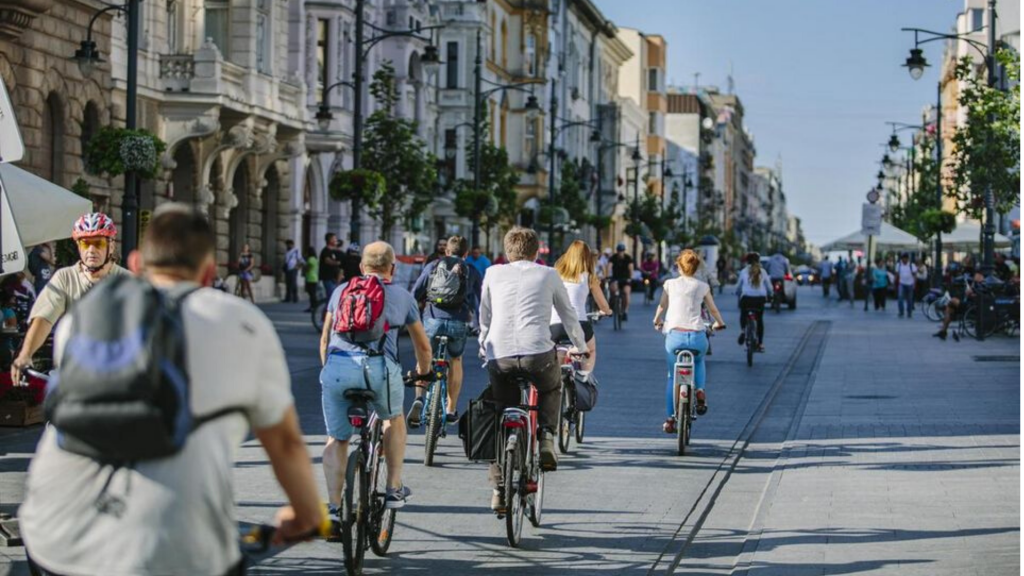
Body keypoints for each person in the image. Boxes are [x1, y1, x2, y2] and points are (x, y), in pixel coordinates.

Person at [20, 204, 324, 576]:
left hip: (53, 536)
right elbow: (286, 443)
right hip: (173, 549)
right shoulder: (241, 322)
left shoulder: (85, 318)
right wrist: (305, 515)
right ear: (208, 272)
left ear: (134, 264)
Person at [319, 241, 432, 515]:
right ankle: (393, 488)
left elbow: (324, 339)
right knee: (393, 419)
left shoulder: (341, 291)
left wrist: (330, 372)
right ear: (392, 268)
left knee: (336, 439)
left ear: (361, 267)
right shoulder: (403, 297)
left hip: (337, 367)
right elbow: (423, 347)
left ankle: (334, 508)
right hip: (379, 369)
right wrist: (423, 374)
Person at [478, 227, 587, 508]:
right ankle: (548, 435)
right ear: (537, 251)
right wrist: (580, 345)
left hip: (499, 355)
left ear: (507, 251)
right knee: (552, 386)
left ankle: (498, 489)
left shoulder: (492, 273)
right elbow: (567, 314)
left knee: (499, 409)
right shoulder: (549, 274)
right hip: (537, 353)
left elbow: (485, 315)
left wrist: (483, 345)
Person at [11, 213, 129, 384]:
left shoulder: (129, 282)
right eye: (85, 243)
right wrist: (25, 354)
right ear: (79, 246)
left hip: (117, 378)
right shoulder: (65, 278)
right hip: (73, 377)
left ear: (110, 246)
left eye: (98, 243)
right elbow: (44, 319)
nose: (91, 250)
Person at [409, 235, 483, 426]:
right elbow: (480, 300)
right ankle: (450, 409)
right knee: (456, 360)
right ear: (466, 254)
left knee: (424, 357)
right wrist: (478, 324)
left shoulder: (434, 265)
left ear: (447, 251)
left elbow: (415, 293)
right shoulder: (472, 269)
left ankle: (419, 398)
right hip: (458, 321)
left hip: (432, 319)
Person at [653, 249, 726, 434]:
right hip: (697, 336)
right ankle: (700, 390)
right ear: (696, 267)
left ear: (678, 266)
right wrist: (720, 323)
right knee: (700, 360)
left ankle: (670, 419)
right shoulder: (702, 286)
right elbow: (713, 309)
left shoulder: (669, 284)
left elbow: (662, 305)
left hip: (674, 337)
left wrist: (656, 320)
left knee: (672, 376)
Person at [550, 240, 613, 372]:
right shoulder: (589, 277)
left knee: (552, 355)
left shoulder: (554, 274)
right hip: (579, 325)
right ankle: (585, 378)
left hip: (555, 326)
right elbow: (603, 304)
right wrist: (606, 311)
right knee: (591, 350)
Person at [736, 252, 772, 352]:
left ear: (747, 261)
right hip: (760, 300)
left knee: (743, 314)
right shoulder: (763, 272)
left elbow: (738, 286)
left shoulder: (743, 271)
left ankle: (743, 331)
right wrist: (771, 294)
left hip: (747, 298)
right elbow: (769, 287)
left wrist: (736, 292)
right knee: (759, 319)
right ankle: (760, 343)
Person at [608, 243, 634, 320]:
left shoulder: (628, 258)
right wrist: (607, 275)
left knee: (626, 293)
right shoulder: (613, 258)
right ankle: (613, 304)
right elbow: (609, 266)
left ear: (624, 251)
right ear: (617, 251)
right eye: (619, 251)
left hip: (625, 279)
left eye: (622, 251)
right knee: (613, 290)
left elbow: (631, 268)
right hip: (615, 278)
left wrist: (631, 277)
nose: (620, 252)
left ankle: (625, 311)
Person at [319, 233, 344, 299]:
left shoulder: (334, 251)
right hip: (328, 277)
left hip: (334, 277)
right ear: (330, 240)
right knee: (332, 296)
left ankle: (327, 309)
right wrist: (338, 263)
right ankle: (327, 309)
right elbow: (328, 261)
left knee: (332, 297)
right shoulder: (326, 251)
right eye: (334, 239)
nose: (336, 240)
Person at [895, 253, 917, 318]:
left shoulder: (911, 265)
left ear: (908, 259)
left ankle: (909, 312)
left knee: (909, 299)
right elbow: (896, 274)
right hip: (901, 283)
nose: (904, 260)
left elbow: (915, 275)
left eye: (906, 258)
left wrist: (914, 284)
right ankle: (901, 312)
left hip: (910, 283)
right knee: (900, 297)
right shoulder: (898, 265)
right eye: (903, 258)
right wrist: (894, 281)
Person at [283, 239, 302, 303]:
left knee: (293, 283)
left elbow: (299, 259)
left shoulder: (296, 251)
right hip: (288, 269)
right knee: (288, 283)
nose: (288, 246)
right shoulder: (287, 252)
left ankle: (295, 297)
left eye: (289, 244)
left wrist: (297, 267)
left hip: (293, 268)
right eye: (287, 244)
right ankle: (288, 297)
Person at [303, 246, 319, 312]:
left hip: (310, 277)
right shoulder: (315, 259)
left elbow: (308, 268)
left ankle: (313, 306)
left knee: (311, 293)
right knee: (313, 293)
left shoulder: (310, 259)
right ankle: (313, 306)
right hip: (315, 277)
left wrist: (304, 268)